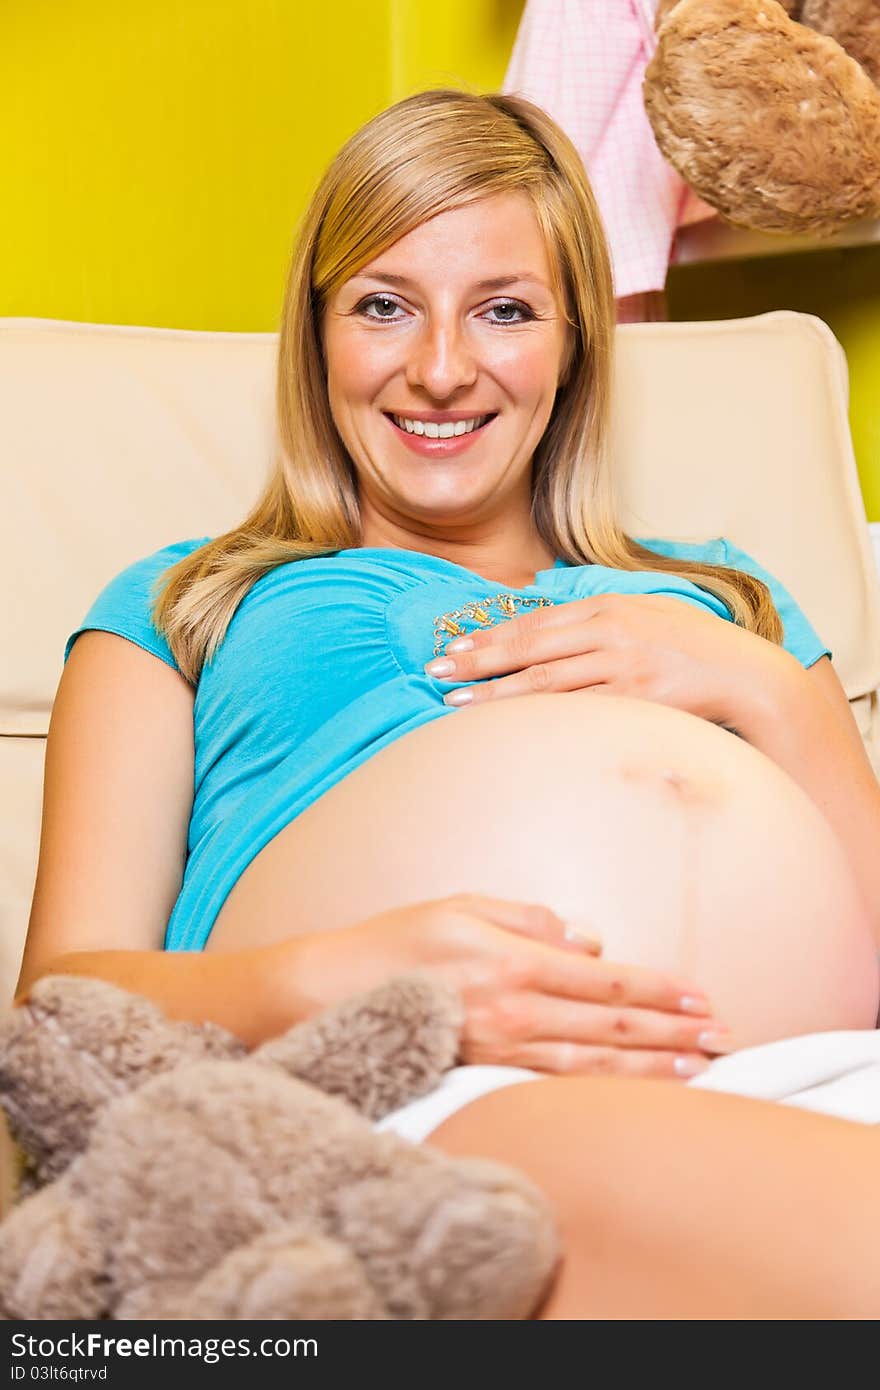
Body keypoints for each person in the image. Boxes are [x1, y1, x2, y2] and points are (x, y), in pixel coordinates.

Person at [16, 89, 880, 1318]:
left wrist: (758, 687)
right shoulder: (191, 603)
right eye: (381, 306)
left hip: (838, 1071)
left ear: (574, 338)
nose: (438, 368)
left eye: (505, 311)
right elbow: (60, 1006)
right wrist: (354, 978)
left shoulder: (725, 599)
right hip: (455, 1107)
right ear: (315, 335)